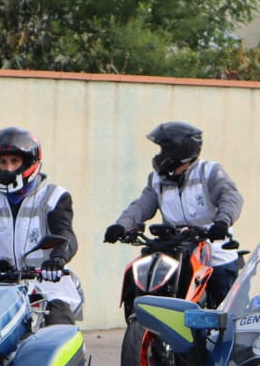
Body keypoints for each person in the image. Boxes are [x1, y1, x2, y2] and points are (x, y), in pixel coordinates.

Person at [104, 121, 244, 307]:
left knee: (224, 303)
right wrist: (121, 225)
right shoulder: (157, 179)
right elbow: (141, 206)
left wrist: (222, 222)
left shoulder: (208, 172)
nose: (159, 156)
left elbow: (231, 197)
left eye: (164, 150)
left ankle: (224, 321)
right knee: (144, 276)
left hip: (213, 248)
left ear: (179, 151)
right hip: (174, 248)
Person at [0, 126, 83, 326]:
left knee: (59, 327)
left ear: (29, 162)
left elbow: (65, 233)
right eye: (3, 162)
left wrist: (58, 258)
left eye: (14, 161)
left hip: (46, 283)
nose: (8, 168)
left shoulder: (53, 196)